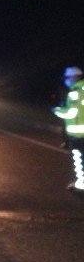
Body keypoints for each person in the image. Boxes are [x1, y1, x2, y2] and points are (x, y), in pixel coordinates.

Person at [53, 66, 84, 195]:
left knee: (79, 160)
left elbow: (71, 113)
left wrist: (57, 111)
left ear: (74, 77)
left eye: (67, 77)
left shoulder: (76, 92)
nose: (66, 80)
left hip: (78, 134)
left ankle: (80, 186)